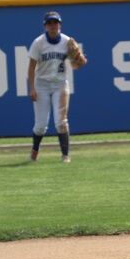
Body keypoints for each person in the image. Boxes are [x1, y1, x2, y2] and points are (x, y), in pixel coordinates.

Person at [27, 11, 85, 163]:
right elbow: (31, 67)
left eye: (55, 23)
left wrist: (80, 58)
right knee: (40, 125)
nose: (53, 26)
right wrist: (32, 88)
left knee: (61, 121)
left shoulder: (67, 42)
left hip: (60, 83)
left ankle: (65, 155)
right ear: (45, 26)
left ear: (60, 24)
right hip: (42, 84)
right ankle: (35, 150)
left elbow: (78, 64)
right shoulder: (38, 43)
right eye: (50, 23)